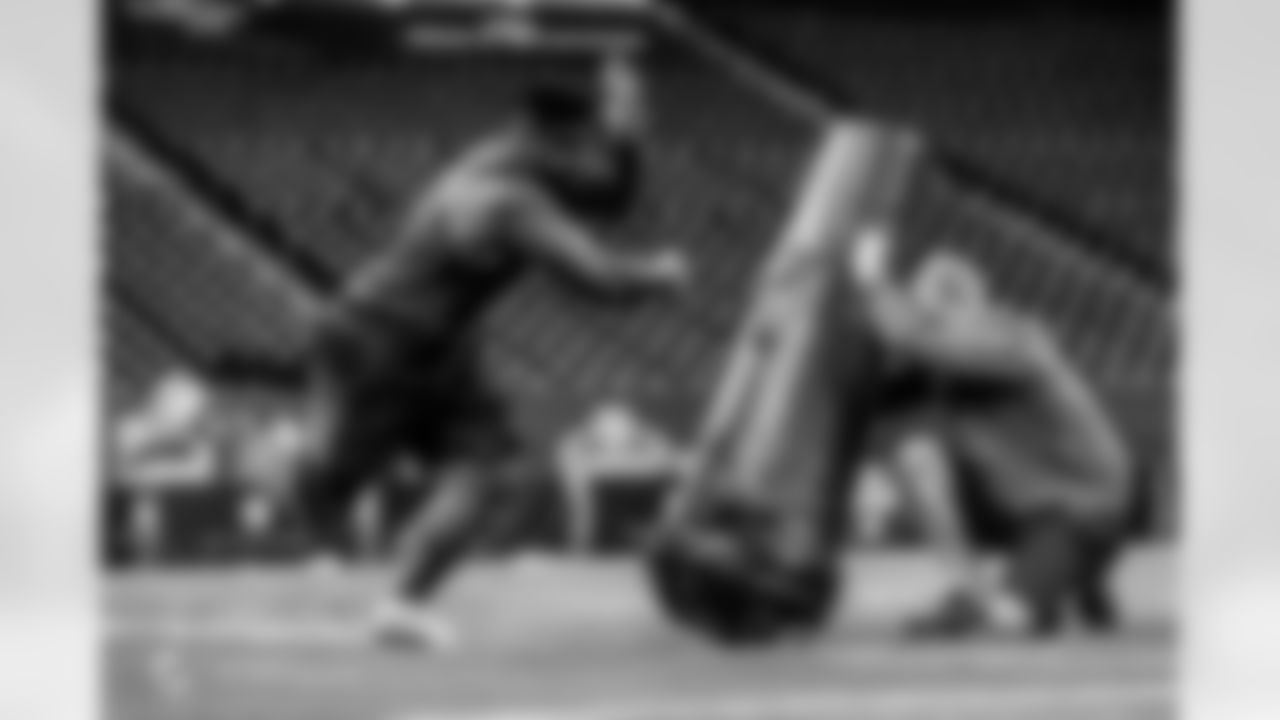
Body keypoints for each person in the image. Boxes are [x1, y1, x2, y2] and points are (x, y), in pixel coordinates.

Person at [290, 48, 690, 650]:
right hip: (387, 339)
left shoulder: (506, 158)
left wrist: (627, 140)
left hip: (401, 335)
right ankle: (366, 547)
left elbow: (610, 197)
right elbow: (599, 278)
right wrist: (660, 273)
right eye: (591, 145)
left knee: (484, 465)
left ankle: (390, 583)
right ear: (565, 140)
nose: (593, 160)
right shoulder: (505, 198)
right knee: (368, 476)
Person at [852, 247, 1135, 637]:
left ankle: (1076, 575)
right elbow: (883, 391)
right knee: (917, 456)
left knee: (1010, 623)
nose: (925, 324)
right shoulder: (946, 359)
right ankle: (972, 593)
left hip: (1077, 508)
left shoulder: (1013, 340)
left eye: (930, 315)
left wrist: (868, 282)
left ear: (964, 304)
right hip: (1018, 502)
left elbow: (912, 339)